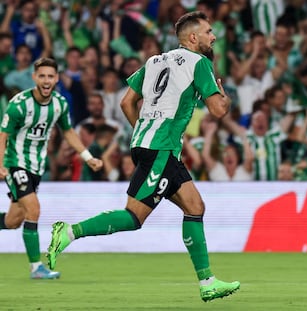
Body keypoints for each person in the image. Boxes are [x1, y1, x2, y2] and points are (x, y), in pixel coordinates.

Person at [47, 11, 240, 302]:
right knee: (134, 217)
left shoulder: (154, 61)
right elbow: (218, 111)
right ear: (193, 37)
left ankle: (207, 282)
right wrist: (224, 96)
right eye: (209, 32)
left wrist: (143, 130)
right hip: (160, 148)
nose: (214, 37)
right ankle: (69, 232)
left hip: (148, 145)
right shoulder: (200, 63)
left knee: (194, 205)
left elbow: (127, 101)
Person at [0, 57, 103, 279]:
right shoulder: (19, 104)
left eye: (50, 76)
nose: (46, 80)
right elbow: (3, 135)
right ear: (34, 77)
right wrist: (0, 164)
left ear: (56, 79)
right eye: (42, 76)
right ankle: (36, 267)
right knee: (34, 209)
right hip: (16, 163)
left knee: (13, 221)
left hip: (36, 167)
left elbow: (68, 132)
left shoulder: (59, 104)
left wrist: (87, 157)